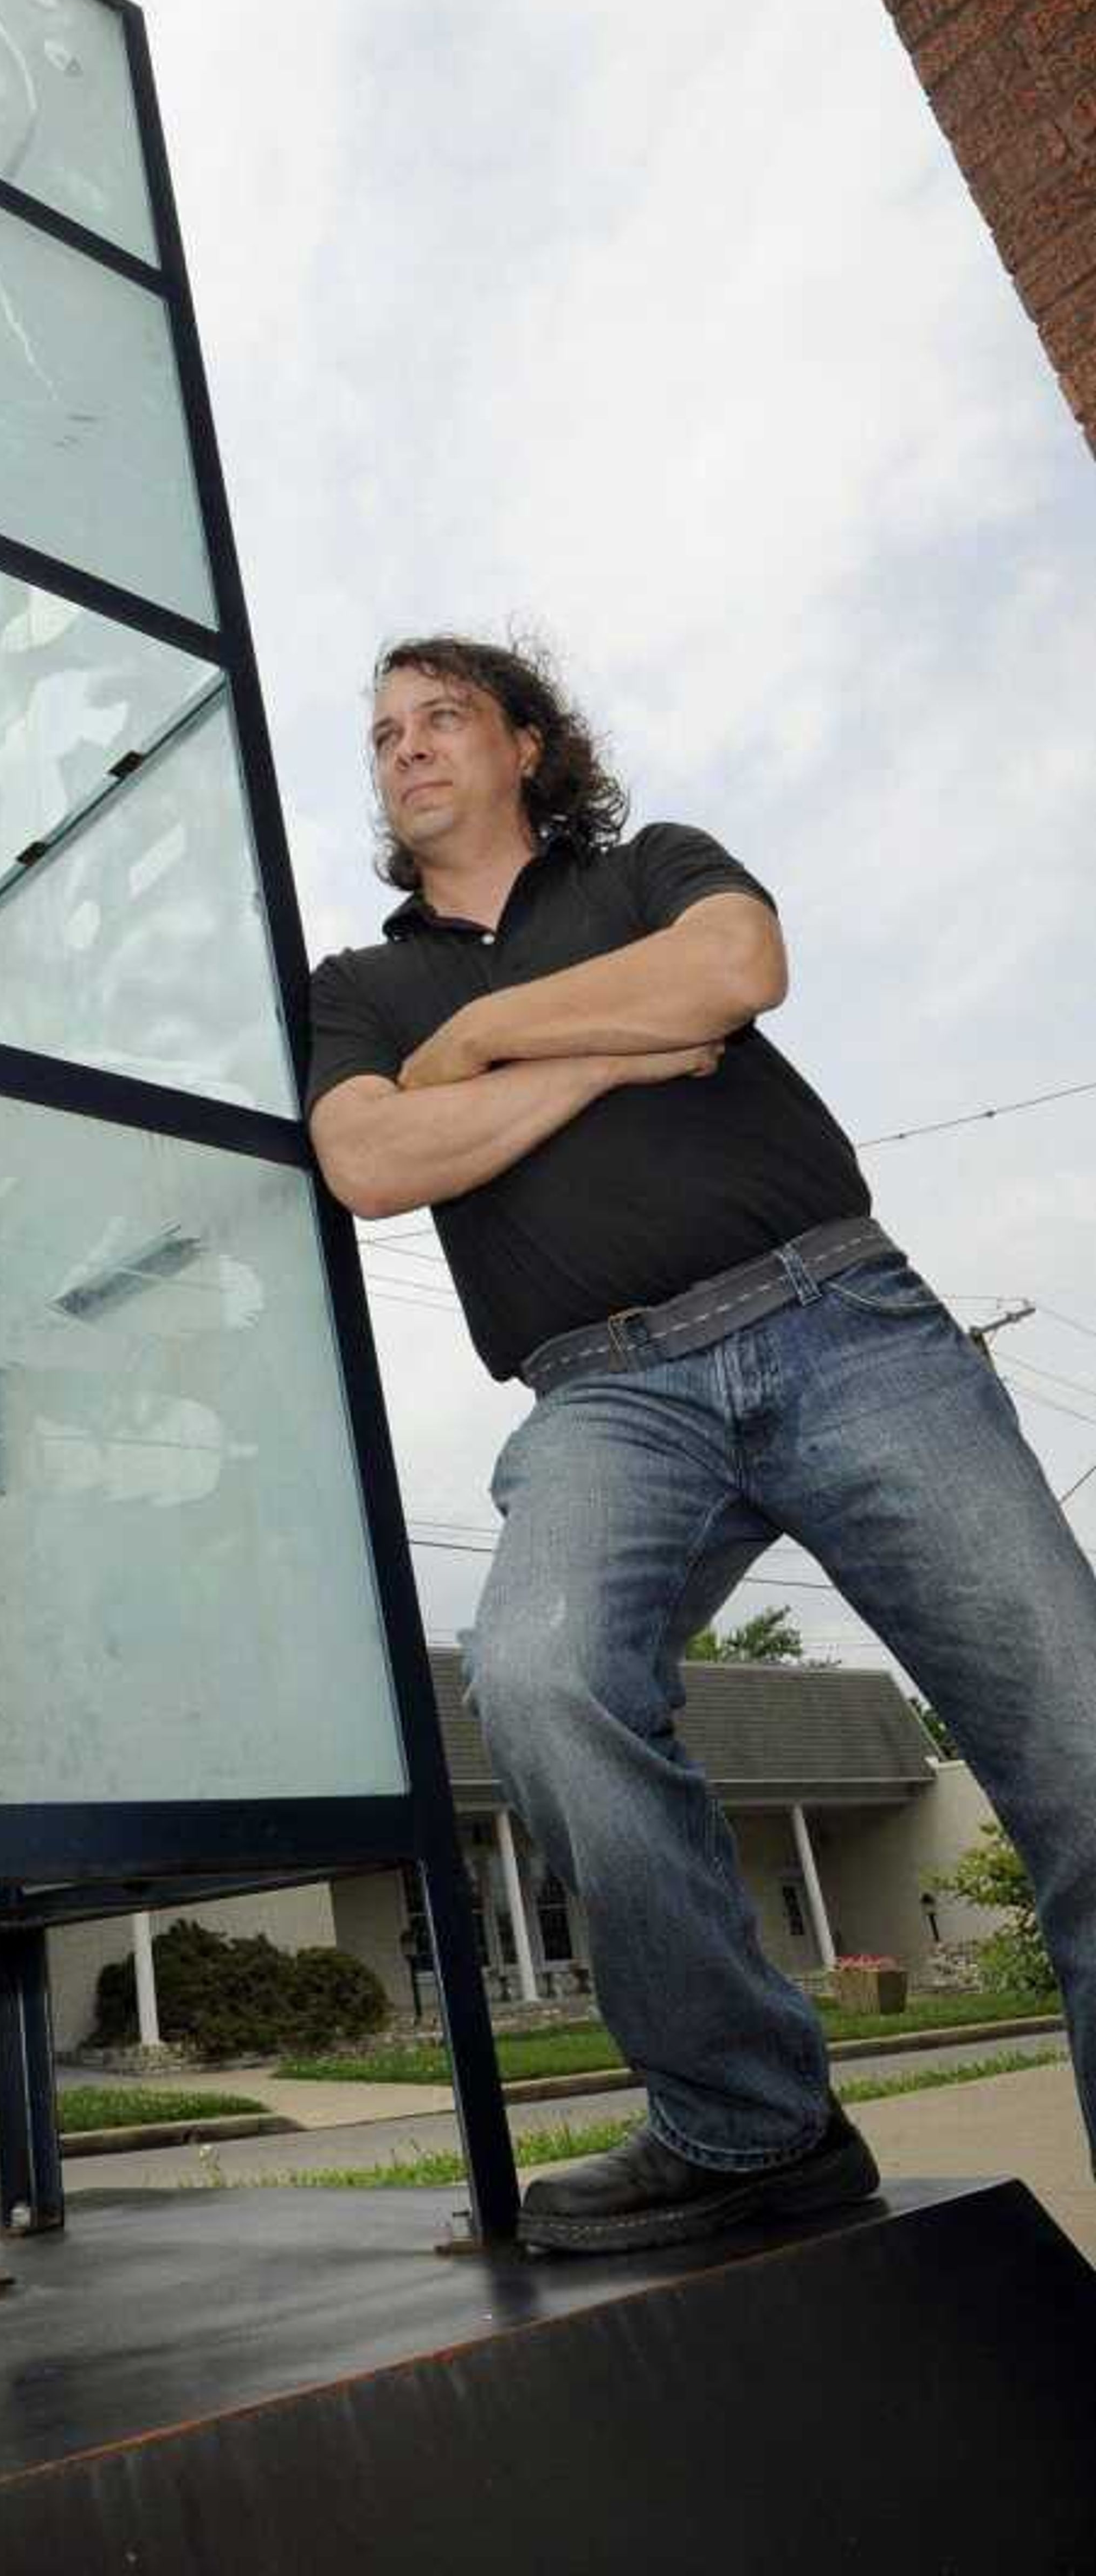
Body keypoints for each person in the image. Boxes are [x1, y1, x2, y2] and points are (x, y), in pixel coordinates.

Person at [304, 632, 1096, 2254]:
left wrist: (484, 1049)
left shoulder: (649, 865)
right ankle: (754, 2125)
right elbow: (375, 1160)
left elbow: (733, 971)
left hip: (839, 1319)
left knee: (1079, 1747)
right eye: (384, 732)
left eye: (442, 716)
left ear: (526, 742)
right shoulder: (364, 990)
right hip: (601, 1392)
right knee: (536, 1677)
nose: (407, 748)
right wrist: (601, 1047)